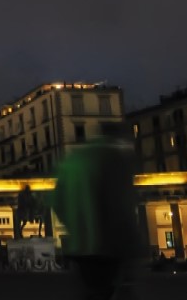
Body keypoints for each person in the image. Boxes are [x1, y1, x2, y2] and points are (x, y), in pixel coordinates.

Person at [49, 122, 138, 300]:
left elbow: (57, 201)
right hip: (109, 245)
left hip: (80, 247)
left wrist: (75, 227)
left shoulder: (74, 160)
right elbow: (121, 202)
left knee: (90, 291)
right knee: (110, 291)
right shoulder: (114, 159)